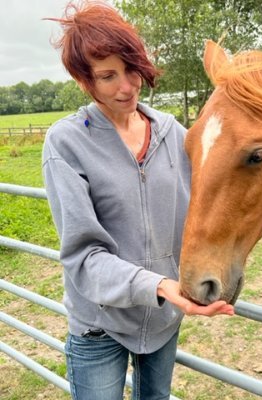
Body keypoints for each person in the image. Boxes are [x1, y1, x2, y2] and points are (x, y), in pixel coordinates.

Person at [42, 2, 234, 400]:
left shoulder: (173, 134)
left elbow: (213, 193)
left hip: (163, 318)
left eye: (131, 70)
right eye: (107, 76)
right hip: (101, 325)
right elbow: (84, 257)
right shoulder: (66, 144)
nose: (127, 87)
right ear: (85, 81)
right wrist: (161, 285)